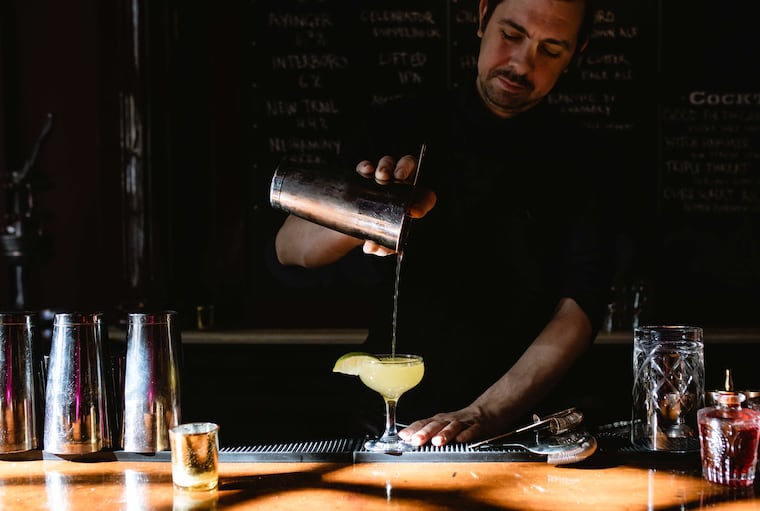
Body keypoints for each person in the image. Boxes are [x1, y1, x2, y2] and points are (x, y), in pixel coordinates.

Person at [268, 0, 618, 447]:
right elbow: (287, 250)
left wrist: (488, 412)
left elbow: (579, 308)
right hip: (389, 423)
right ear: (482, 17)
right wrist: (367, 211)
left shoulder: (587, 160)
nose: (520, 63)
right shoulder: (401, 124)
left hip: (524, 427)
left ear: (577, 51)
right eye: (511, 35)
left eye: (551, 49)